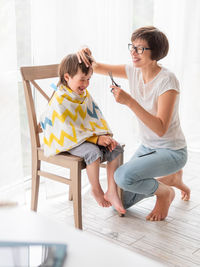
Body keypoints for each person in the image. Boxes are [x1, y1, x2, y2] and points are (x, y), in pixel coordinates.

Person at [77, 26, 190, 221]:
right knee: (121, 202)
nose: (133, 52)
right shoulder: (133, 71)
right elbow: (98, 67)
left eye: (140, 49)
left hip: (172, 151)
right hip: (148, 147)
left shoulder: (167, 81)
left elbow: (161, 128)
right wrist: (85, 52)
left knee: (122, 177)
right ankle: (171, 179)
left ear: (155, 53)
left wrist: (129, 102)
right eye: (132, 46)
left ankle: (165, 193)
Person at [40, 53, 126, 214]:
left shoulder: (82, 95)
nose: (86, 84)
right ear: (67, 77)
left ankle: (112, 190)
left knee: (116, 147)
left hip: (82, 138)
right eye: (82, 79)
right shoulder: (60, 98)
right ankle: (96, 189)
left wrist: (103, 136)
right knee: (93, 152)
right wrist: (95, 139)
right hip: (65, 140)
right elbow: (65, 128)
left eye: (89, 80)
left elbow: (93, 118)